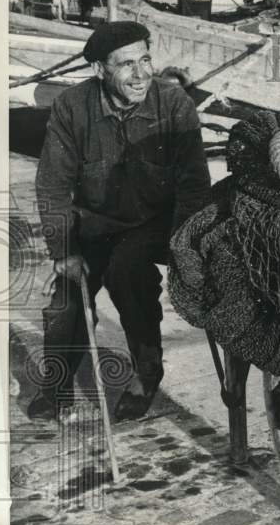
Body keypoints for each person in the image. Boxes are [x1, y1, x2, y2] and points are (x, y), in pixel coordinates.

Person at [31, 22, 212, 421]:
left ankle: (146, 375)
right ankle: (57, 387)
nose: (141, 73)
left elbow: (195, 186)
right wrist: (64, 252)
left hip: (153, 223)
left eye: (145, 59)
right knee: (67, 300)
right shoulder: (72, 106)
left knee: (127, 272)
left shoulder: (173, 102)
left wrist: (185, 245)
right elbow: (53, 185)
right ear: (99, 70)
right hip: (94, 222)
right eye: (126, 64)